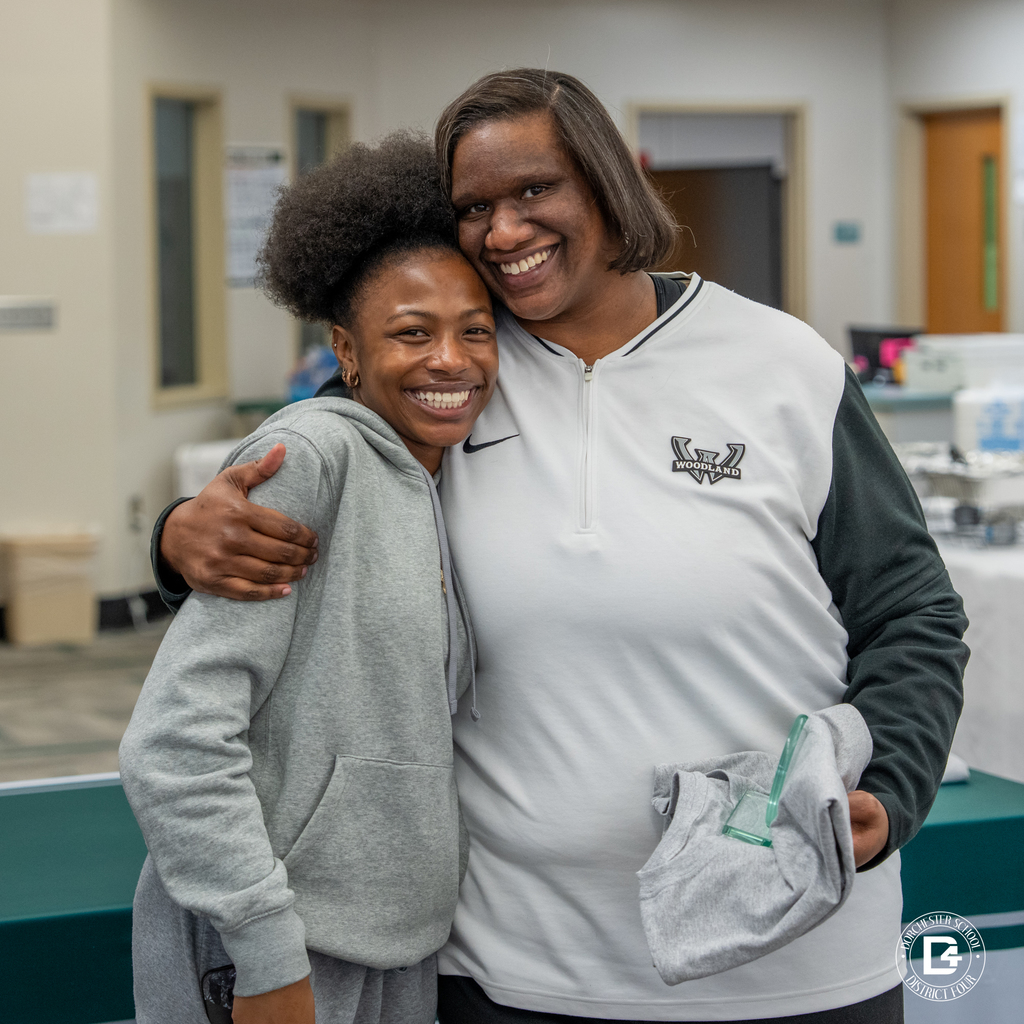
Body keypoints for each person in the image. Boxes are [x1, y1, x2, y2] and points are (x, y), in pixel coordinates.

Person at [151, 71, 968, 1023]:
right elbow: (287, 482)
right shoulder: (449, 374)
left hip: (797, 958)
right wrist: (177, 534)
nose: (503, 232)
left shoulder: (783, 367)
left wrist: (895, 788)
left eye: (534, 191)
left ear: (607, 184)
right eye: (474, 208)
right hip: (514, 968)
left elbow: (914, 611)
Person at [120, 132, 497, 1024]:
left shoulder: (451, 470)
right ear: (347, 348)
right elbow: (173, 747)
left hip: (399, 943)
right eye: (412, 332)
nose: (451, 360)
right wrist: (264, 951)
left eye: (474, 330)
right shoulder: (308, 458)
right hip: (275, 952)